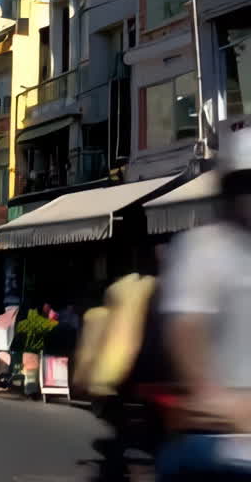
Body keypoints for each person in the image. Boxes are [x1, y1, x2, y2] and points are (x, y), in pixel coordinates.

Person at [157, 133, 251, 480]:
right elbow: (186, 328)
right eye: (244, 184)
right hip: (220, 432)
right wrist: (214, 396)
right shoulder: (205, 248)